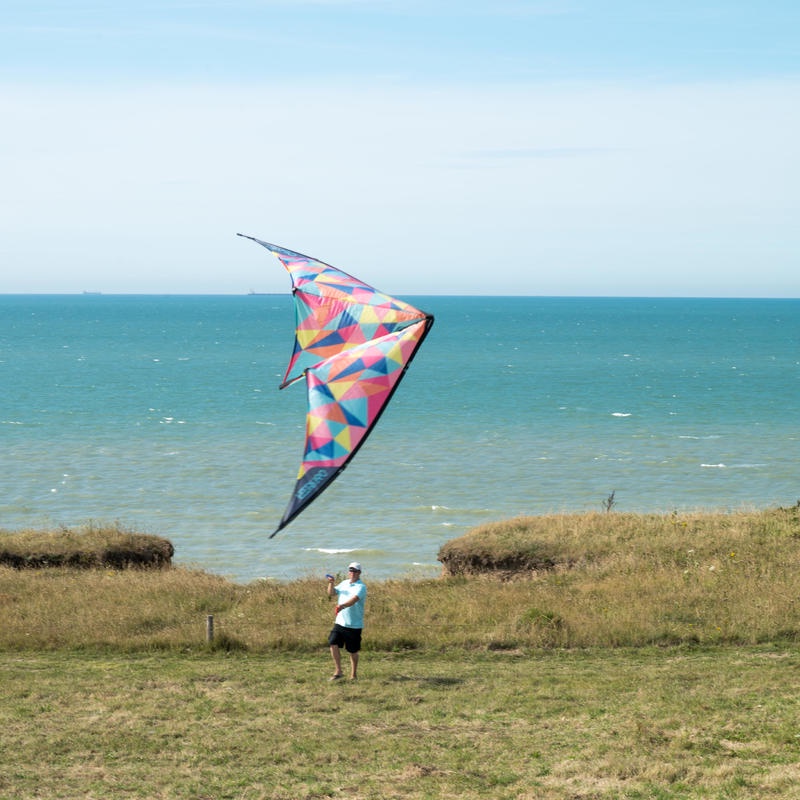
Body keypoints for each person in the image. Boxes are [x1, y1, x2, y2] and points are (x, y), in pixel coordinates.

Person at [326, 562, 367, 680]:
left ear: (359, 573)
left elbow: (354, 600)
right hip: (340, 622)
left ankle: (353, 675)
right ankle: (338, 671)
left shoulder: (361, 587)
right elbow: (331, 593)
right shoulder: (344, 583)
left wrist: (341, 606)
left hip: (354, 625)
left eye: (355, 571)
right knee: (332, 643)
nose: (352, 573)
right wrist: (331, 583)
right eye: (351, 570)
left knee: (352, 651)